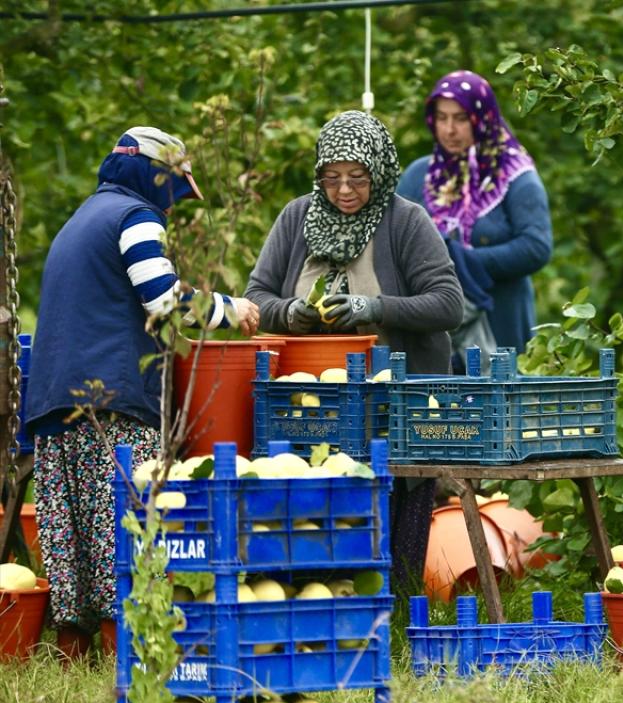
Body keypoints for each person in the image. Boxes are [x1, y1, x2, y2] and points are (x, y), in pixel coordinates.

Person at [25, 127, 260, 659]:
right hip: (112, 401)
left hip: (55, 401)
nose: (172, 211)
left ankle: (72, 655)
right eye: (174, 195)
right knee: (122, 530)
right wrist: (230, 308)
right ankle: (122, 657)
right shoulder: (135, 217)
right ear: (155, 178)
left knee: (70, 538)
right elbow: (160, 297)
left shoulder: (84, 216)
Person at [245, 110, 463, 593]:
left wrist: (375, 306)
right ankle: (309, 599)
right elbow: (255, 297)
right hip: (307, 410)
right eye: (332, 178)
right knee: (310, 527)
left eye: (357, 178)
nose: (344, 190)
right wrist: (289, 313)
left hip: (390, 408)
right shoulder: (296, 218)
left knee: (386, 540)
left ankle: (396, 610)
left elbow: (449, 303)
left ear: (379, 173)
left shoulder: (405, 222)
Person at [397, 69, 552, 367]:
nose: (449, 130)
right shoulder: (419, 176)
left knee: (497, 410)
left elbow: (536, 247)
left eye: (461, 118)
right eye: (442, 118)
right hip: (433, 327)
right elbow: (394, 238)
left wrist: (461, 262)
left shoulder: (516, 177)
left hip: (499, 322)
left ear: (483, 118)